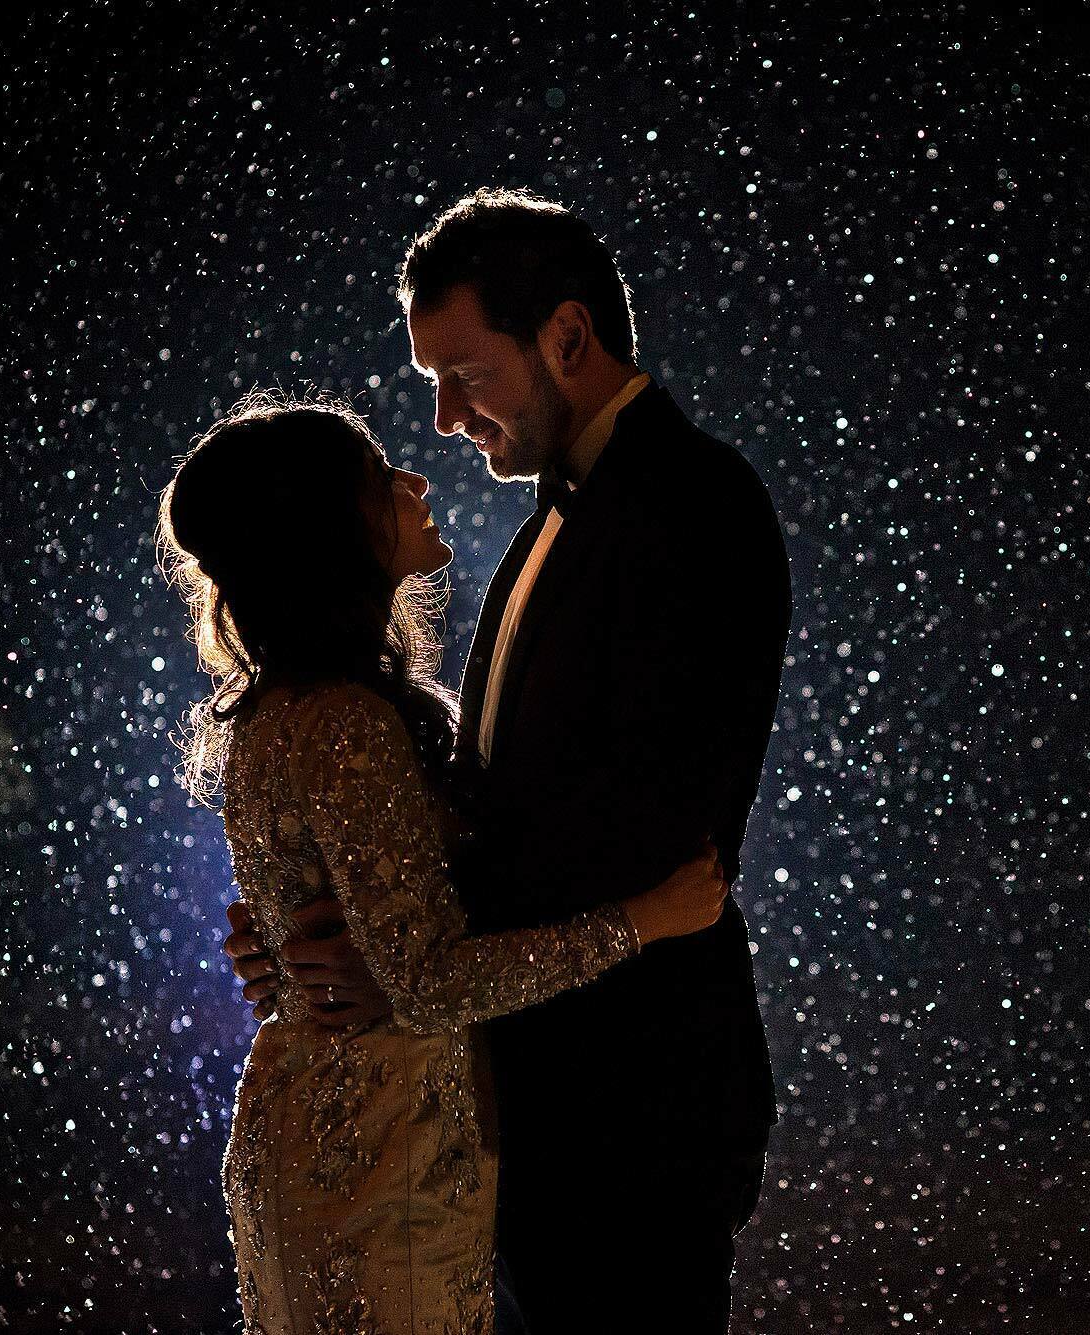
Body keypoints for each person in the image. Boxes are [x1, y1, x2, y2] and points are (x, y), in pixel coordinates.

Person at [222, 189, 793, 1331]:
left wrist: (397, 935)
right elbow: (501, 809)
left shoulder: (694, 504)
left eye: (463, 373)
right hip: (517, 1101)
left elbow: (644, 813)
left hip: (635, 1105)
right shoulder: (544, 526)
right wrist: (343, 913)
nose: (440, 419)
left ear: (567, 339)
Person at [160, 393, 733, 1332]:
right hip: (381, 1161)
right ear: (330, 531)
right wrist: (647, 917)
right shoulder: (347, 722)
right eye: (382, 478)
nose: (417, 478)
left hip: (316, 1129)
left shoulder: (275, 713)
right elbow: (426, 985)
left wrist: (271, 942)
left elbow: (339, 908)